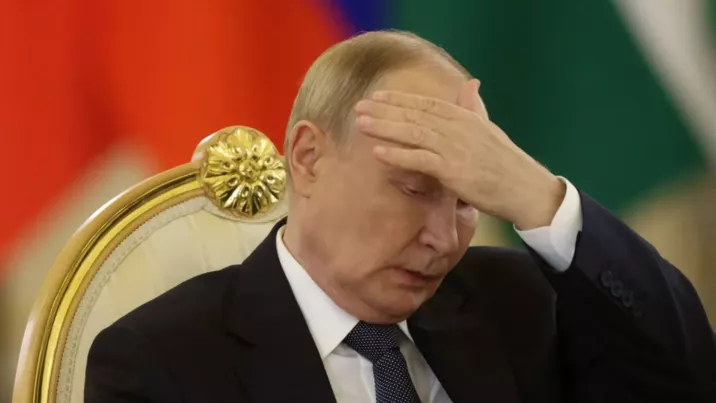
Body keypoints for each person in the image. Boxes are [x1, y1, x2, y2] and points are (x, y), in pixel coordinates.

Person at [85, 30, 716, 403]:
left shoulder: (519, 304)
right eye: (414, 190)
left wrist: (539, 198)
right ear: (308, 157)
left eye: (467, 200)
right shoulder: (160, 361)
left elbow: (685, 378)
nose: (443, 239)